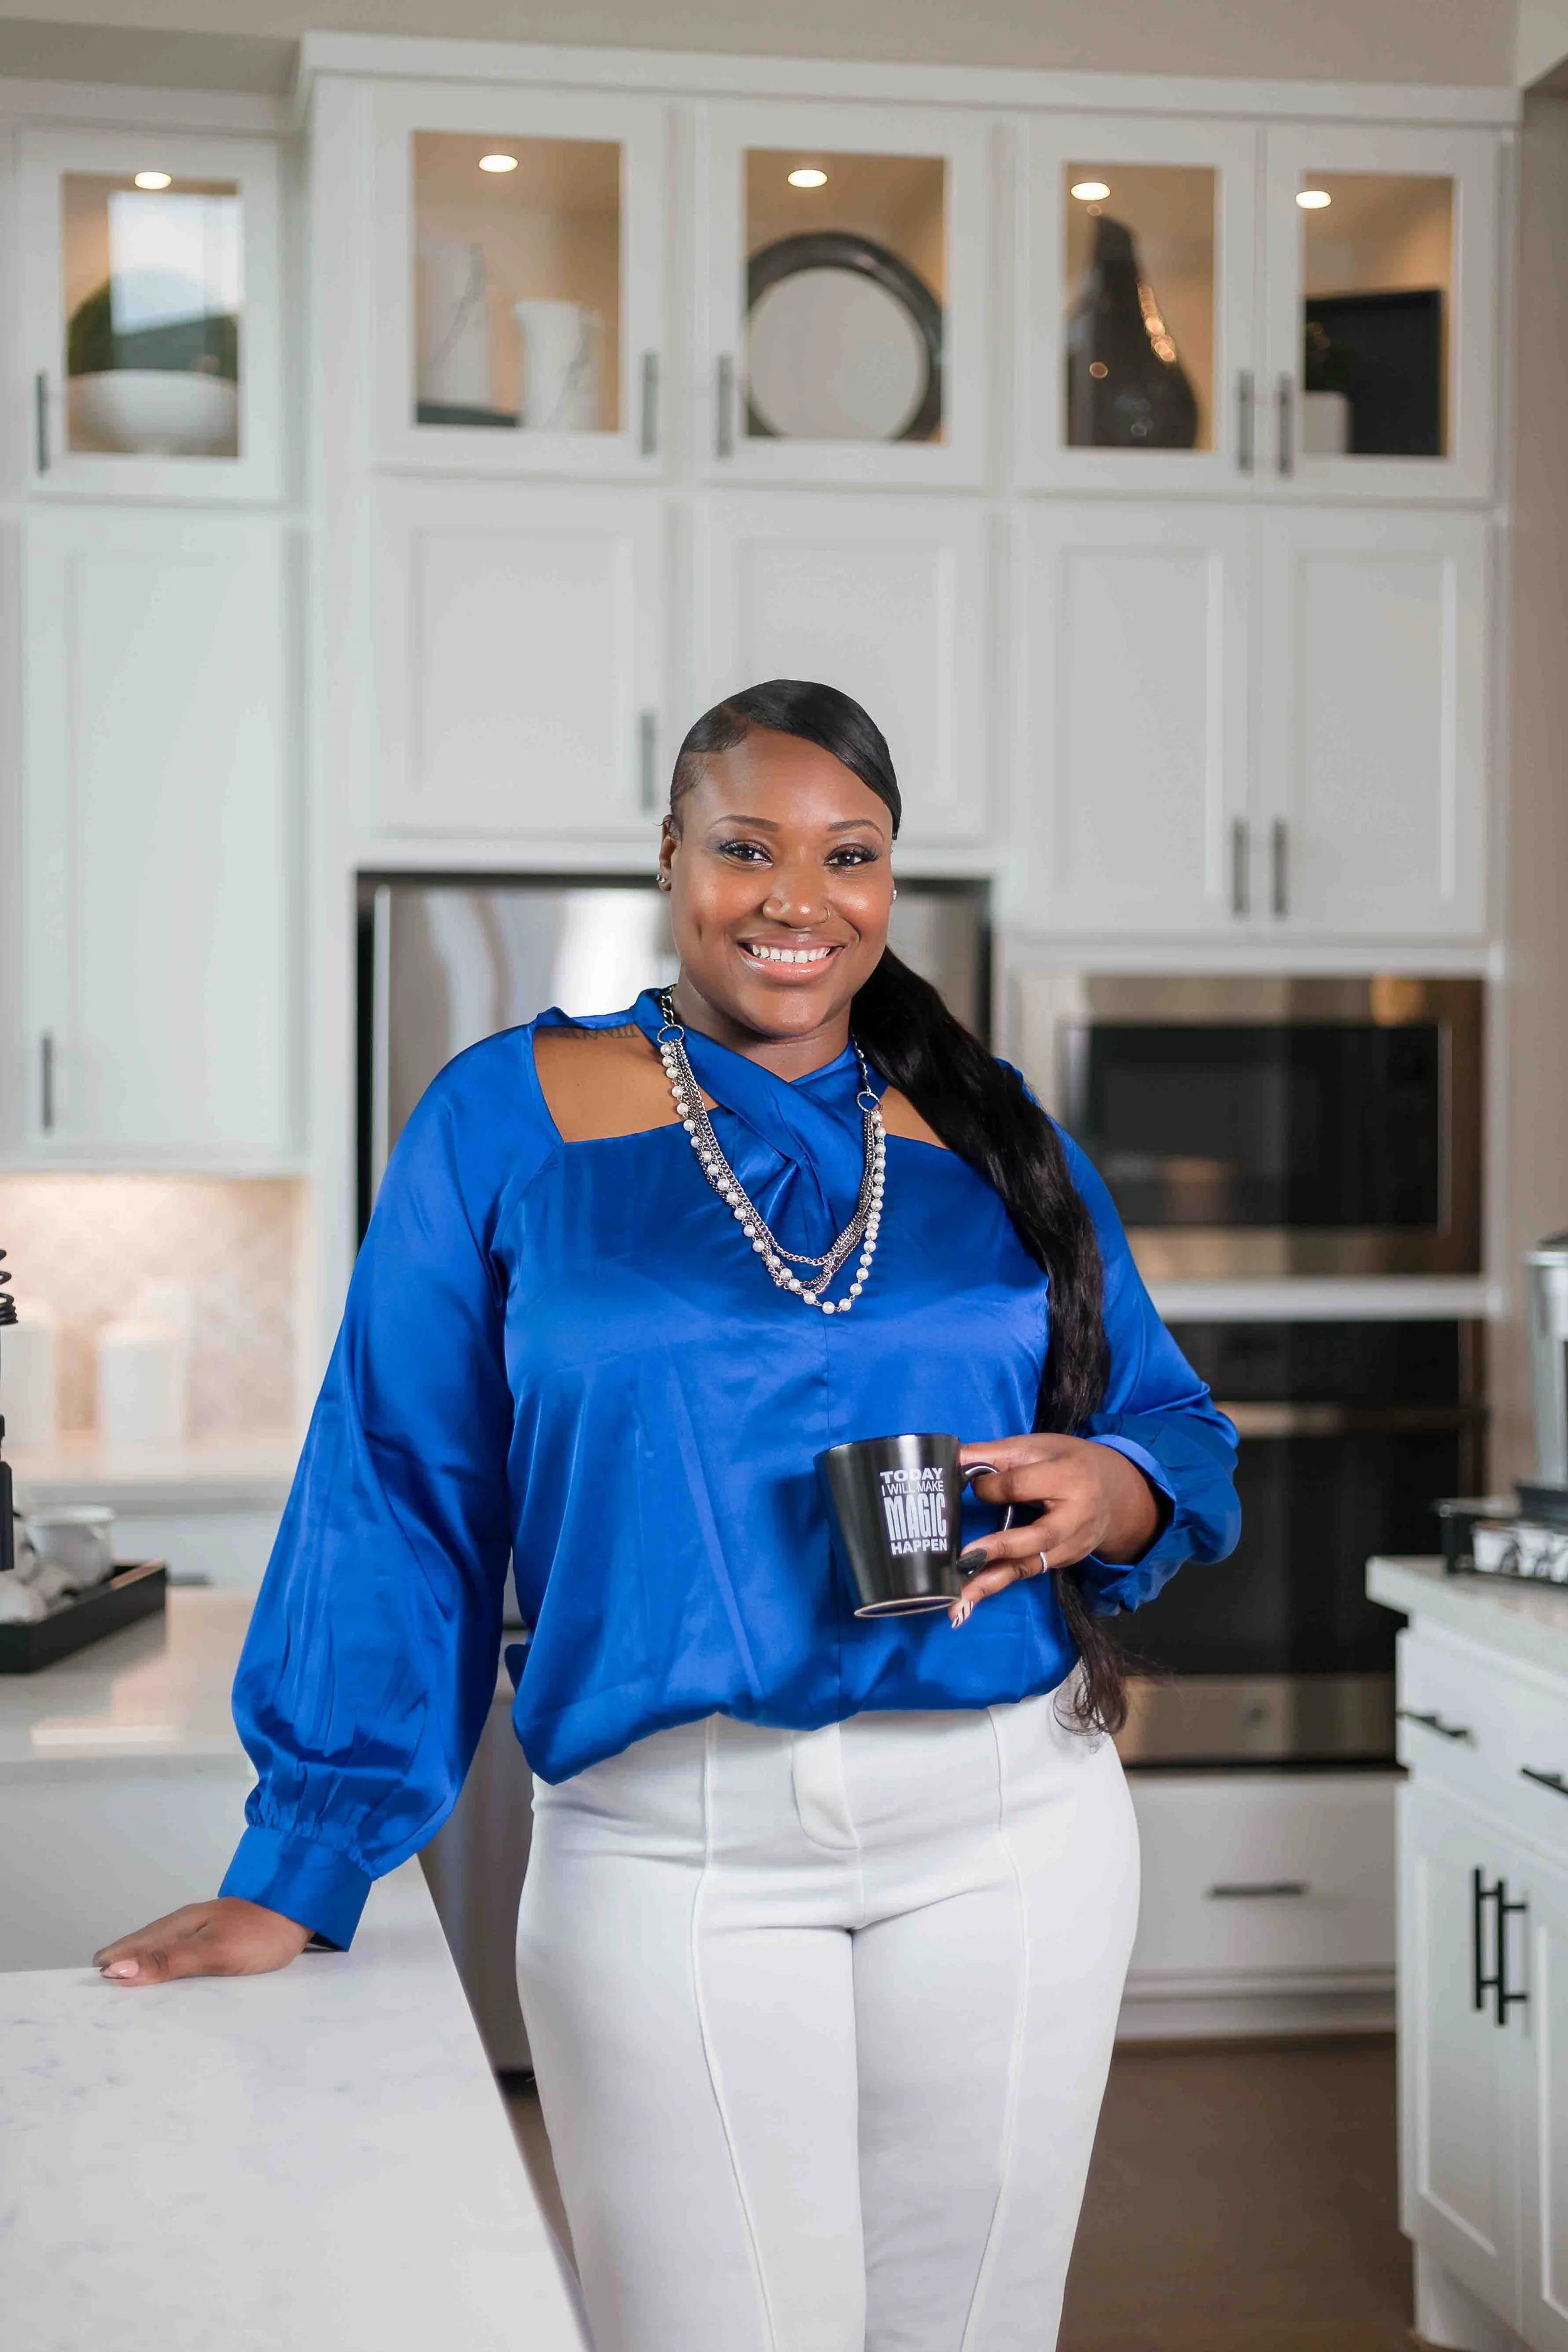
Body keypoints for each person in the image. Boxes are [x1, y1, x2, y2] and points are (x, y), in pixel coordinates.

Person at [96, 681, 1240, 2352]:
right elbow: (401, 1485)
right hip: (669, 1844)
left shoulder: (991, 1130)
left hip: (1013, 1828)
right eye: (745, 847)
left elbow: (1169, 1420)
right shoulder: (505, 1116)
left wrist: (1120, 1483)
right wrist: (305, 1857)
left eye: (848, 854)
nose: (798, 897)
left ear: (889, 881)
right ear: (667, 857)